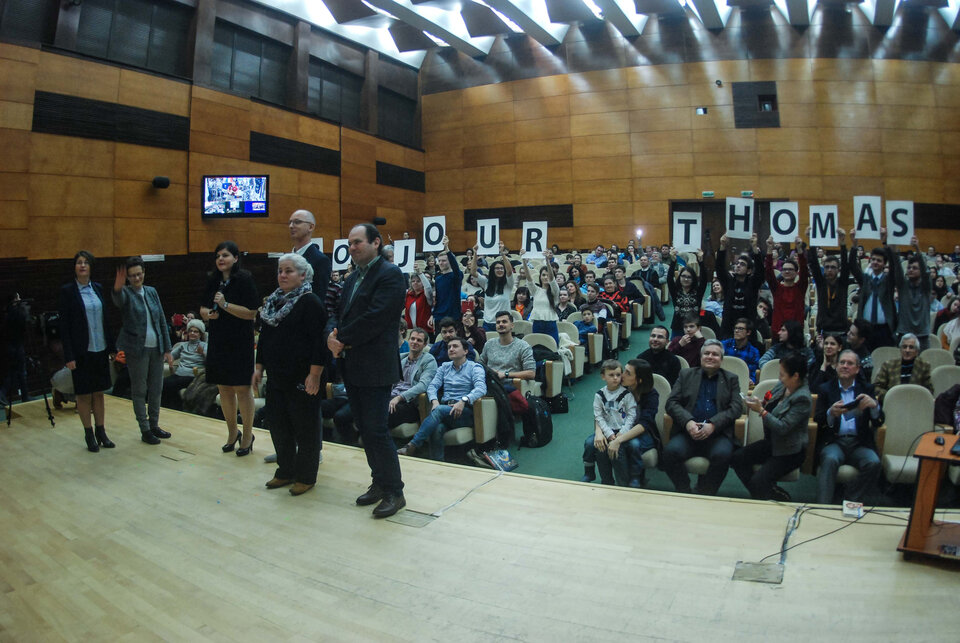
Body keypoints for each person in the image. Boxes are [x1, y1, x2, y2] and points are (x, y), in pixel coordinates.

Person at [327, 223, 407, 518]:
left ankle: (395, 491)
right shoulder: (351, 279)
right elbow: (337, 312)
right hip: (352, 363)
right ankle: (379, 482)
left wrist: (341, 340)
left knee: (376, 429)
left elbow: (376, 318)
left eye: (358, 242)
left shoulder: (390, 274)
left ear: (376, 243)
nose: (352, 248)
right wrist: (333, 337)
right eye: (349, 243)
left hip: (375, 365)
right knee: (364, 427)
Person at [254, 254, 327, 496]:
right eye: (280, 271)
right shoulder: (273, 303)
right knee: (278, 424)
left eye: (289, 271)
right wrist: (259, 368)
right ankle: (285, 470)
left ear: (303, 275)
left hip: (303, 377)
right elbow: (265, 338)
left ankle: (306, 476)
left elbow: (319, 343)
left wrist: (314, 374)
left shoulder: (311, 302)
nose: (282, 275)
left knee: (305, 429)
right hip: (277, 376)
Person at [200, 242, 260, 455]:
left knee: (242, 389)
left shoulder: (244, 279)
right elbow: (203, 307)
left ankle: (247, 435)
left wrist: (225, 305)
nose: (220, 259)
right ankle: (232, 432)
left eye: (225, 255)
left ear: (235, 258)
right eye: (217, 256)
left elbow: (252, 312)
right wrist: (207, 314)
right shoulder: (213, 279)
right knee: (224, 388)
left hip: (239, 341)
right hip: (218, 339)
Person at [662, 340, 743, 495]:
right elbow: (672, 403)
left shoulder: (731, 379)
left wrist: (713, 424)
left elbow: (736, 408)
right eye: (706, 353)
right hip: (688, 433)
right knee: (670, 453)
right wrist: (688, 422)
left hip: (717, 434)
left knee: (723, 455)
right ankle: (684, 490)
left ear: (721, 359)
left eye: (715, 354)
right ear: (700, 357)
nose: (710, 357)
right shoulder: (686, 375)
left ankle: (706, 492)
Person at [112, 256, 174, 445]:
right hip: (136, 350)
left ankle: (154, 425)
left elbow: (162, 319)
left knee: (156, 389)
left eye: (139, 274)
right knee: (139, 390)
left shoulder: (152, 292)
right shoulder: (126, 293)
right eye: (132, 276)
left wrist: (167, 348)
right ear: (128, 278)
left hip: (156, 348)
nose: (136, 278)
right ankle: (145, 429)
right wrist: (117, 287)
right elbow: (118, 300)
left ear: (144, 273)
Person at [733, 352, 811, 501]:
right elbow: (770, 397)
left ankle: (779, 496)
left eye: (782, 374)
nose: (779, 377)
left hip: (789, 451)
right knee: (738, 458)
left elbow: (782, 427)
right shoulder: (783, 385)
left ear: (795, 376)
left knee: (758, 481)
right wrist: (760, 402)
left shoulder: (803, 398)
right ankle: (764, 494)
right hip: (772, 443)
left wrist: (761, 411)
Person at [58, 251, 115, 452]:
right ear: (75, 268)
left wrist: (111, 347)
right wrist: (69, 356)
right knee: (83, 395)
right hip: (81, 351)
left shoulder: (97, 288)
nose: (82, 265)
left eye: (86, 263)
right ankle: (89, 434)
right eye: (79, 263)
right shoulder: (67, 291)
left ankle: (102, 432)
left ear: (91, 267)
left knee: (99, 393)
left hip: (100, 349)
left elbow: (106, 320)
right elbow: (64, 327)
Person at [397, 337, 486, 460]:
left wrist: (463, 400)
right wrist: (434, 401)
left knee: (438, 411)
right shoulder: (444, 367)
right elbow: (432, 386)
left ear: (465, 351)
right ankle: (438, 462)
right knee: (437, 428)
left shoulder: (475, 367)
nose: (451, 349)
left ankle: (412, 445)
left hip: (465, 412)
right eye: (449, 347)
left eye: (455, 346)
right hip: (446, 410)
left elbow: (481, 389)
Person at [814, 350, 884, 504]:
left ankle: (850, 500)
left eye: (850, 363)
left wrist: (874, 407)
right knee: (830, 459)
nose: (845, 366)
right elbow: (817, 419)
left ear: (858, 369)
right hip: (834, 441)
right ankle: (822, 506)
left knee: (874, 462)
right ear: (836, 366)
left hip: (859, 442)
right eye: (842, 362)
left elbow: (879, 421)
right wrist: (830, 413)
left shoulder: (867, 389)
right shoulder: (825, 389)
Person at [580, 359, 639, 487]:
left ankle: (628, 480)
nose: (615, 378)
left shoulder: (627, 395)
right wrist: (608, 433)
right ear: (603, 376)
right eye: (611, 375)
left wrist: (622, 433)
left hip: (623, 432)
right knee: (595, 446)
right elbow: (598, 416)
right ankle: (605, 480)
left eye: (618, 375)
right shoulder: (599, 395)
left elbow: (631, 415)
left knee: (628, 449)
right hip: (607, 431)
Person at [480, 310, 536, 415]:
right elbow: (480, 364)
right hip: (490, 382)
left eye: (504, 322)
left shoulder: (523, 346)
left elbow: (531, 373)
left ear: (512, 326)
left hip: (509, 385)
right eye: (498, 322)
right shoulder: (489, 344)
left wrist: (505, 375)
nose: (500, 324)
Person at [848, 230, 897, 349]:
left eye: (879, 260)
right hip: (866, 329)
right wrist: (854, 245)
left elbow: (895, 266)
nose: (875, 262)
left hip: (884, 329)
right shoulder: (865, 280)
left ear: (884, 264)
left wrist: (885, 243)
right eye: (873, 259)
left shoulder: (888, 281)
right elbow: (853, 267)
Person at [715, 233, 764, 338]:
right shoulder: (729, 282)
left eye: (742, 264)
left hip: (748, 328)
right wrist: (722, 246)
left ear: (749, 270)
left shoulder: (753, 283)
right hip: (728, 327)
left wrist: (754, 248)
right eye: (737, 263)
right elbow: (719, 268)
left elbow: (760, 271)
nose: (738, 265)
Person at [388, 328, 437, 428]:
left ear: (425, 344)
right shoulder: (401, 358)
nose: (415, 342)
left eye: (419, 340)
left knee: (380, 413)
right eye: (413, 339)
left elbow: (423, 385)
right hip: (391, 396)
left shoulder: (429, 360)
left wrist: (399, 398)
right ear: (408, 340)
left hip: (409, 402)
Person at [890, 236, 932, 350]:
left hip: (922, 335)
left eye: (914, 268)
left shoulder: (926, 287)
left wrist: (917, 249)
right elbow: (898, 268)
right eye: (909, 267)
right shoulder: (903, 286)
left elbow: (926, 272)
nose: (911, 270)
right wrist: (894, 251)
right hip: (904, 333)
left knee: (922, 366)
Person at [807, 232, 850, 334]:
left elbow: (845, 264)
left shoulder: (842, 282)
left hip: (841, 329)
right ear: (824, 269)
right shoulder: (821, 283)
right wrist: (811, 241)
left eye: (833, 267)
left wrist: (843, 243)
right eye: (827, 267)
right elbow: (814, 264)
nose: (830, 270)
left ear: (838, 270)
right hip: (823, 329)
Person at [765, 236, 809, 333]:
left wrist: (799, 249)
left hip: (796, 334)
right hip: (778, 333)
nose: (787, 271)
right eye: (784, 269)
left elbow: (804, 271)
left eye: (790, 269)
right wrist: (769, 248)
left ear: (796, 272)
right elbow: (768, 272)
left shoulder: (800, 288)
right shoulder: (777, 288)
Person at [872, 333, 933, 402]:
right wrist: (892, 396)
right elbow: (877, 387)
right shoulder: (888, 365)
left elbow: (929, 391)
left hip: (915, 403)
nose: (907, 350)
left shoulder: (924, 366)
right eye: (904, 347)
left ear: (917, 351)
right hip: (892, 402)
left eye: (911, 347)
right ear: (900, 349)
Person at [161, 319, 207, 411]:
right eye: (191, 331)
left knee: (169, 384)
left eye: (196, 331)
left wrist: (203, 353)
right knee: (162, 383)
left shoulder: (205, 345)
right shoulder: (183, 345)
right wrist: (164, 359)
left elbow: (211, 362)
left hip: (193, 375)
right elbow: (171, 356)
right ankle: (165, 408)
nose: (193, 333)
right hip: (179, 373)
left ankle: (173, 408)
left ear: (200, 334)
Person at [666, 249, 710, 337]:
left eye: (689, 277)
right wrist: (673, 261)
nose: (686, 279)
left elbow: (704, 280)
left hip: (694, 327)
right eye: (683, 276)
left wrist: (701, 261)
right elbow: (669, 279)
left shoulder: (698, 292)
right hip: (678, 326)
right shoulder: (675, 291)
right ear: (679, 277)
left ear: (693, 279)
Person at [288, 209, 331, 296]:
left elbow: (318, 298)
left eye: (297, 222)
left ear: (311, 227)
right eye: (290, 222)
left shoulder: (321, 260)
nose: (291, 226)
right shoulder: (286, 259)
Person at [473, 242, 514, 331]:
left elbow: (510, 271)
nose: (500, 270)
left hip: (504, 323)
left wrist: (502, 253)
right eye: (497, 268)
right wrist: (475, 253)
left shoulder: (508, 284)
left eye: (501, 268)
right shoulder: (486, 283)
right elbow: (473, 272)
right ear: (492, 270)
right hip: (488, 323)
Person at [524, 251, 561, 342]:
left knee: (552, 349)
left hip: (551, 324)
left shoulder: (555, 291)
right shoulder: (536, 290)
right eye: (543, 275)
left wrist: (547, 261)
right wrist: (524, 262)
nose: (546, 277)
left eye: (548, 275)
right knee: (537, 348)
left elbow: (552, 280)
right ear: (540, 277)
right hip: (537, 323)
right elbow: (529, 279)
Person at [432, 235, 462, 324]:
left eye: (444, 260)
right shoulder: (438, 279)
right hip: (438, 316)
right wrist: (433, 315)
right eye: (439, 261)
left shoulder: (456, 276)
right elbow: (438, 300)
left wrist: (447, 249)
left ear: (450, 261)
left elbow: (456, 268)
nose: (441, 263)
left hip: (453, 316)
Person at [721, 318, 760, 383]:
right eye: (735, 328)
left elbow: (752, 373)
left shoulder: (753, 352)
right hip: (723, 380)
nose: (736, 331)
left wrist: (751, 381)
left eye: (740, 329)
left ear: (748, 332)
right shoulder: (723, 345)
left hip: (741, 382)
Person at [404, 269, 434, 334]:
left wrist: (420, 273)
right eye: (413, 281)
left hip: (425, 330)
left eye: (418, 281)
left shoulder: (426, 295)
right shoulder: (408, 295)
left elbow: (428, 288)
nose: (415, 283)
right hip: (410, 330)